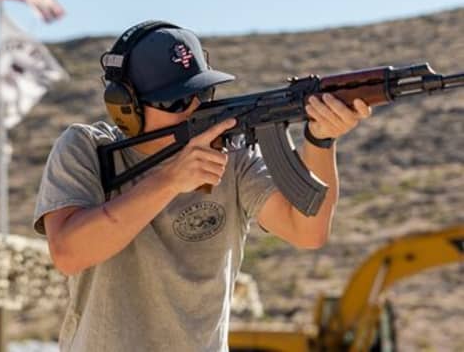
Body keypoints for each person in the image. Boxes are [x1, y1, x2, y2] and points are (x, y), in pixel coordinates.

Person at [33, 20, 371, 352]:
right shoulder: (86, 149)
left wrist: (321, 141)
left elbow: (306, 230)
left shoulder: (234, 156)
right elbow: (68, 252)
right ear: (126, 107)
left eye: (202, 93)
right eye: (175, 102)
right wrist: (169, 181)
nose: (194, 110)